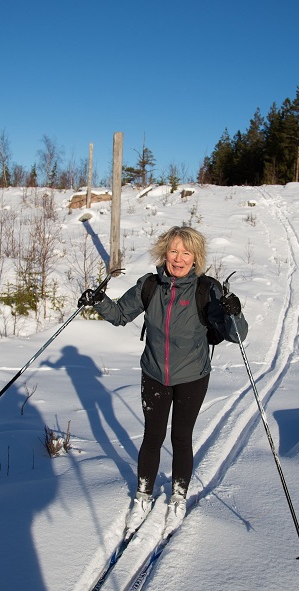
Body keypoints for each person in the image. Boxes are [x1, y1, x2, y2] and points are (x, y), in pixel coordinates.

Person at [78, 226, 248, 535]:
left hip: (192, 376)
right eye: (173, 251)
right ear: (163, 253)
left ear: (195, 257)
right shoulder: (150, 285)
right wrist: (99, 300)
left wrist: (235, 312)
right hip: (154, 373)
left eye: (186, 253)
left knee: (181, 438)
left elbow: (237, 335)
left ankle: (178, 497)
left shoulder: (208, 290)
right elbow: (119, 315)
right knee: (152, 437)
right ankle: (143, 495)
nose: (179, 259)